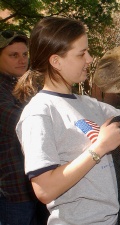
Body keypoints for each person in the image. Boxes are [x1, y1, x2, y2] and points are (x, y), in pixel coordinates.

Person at [13, 17, 120, 224]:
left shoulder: (89, 104)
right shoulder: (39, 112)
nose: (90, 59)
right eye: (82, 53)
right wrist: (99, 148)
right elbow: (44, 189)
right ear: (56, 61)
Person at [0, 29, 49, 225]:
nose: (22, 60)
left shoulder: (27, 87)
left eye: (25, 54)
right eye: (13, 55)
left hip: (41, 187)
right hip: (13, 192)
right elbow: (24, 122)